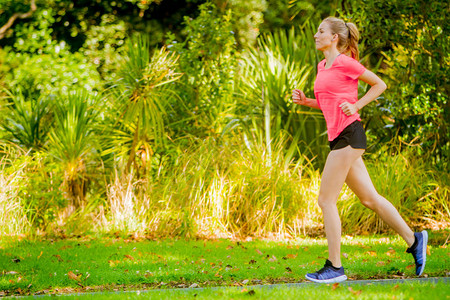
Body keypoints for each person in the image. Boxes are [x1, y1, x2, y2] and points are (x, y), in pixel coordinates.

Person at [292, 16, 428, 283]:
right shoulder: (323, 65)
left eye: (321, 31)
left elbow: (379, 84)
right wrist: (307, 101)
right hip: (339, 138)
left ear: (334, 38)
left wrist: (356, 106)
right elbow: (329, 104)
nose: (316, 35)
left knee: (325, 200)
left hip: (349, 135)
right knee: (370, 199)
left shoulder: (345, 62)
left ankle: (335, 266)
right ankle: (414, 240)